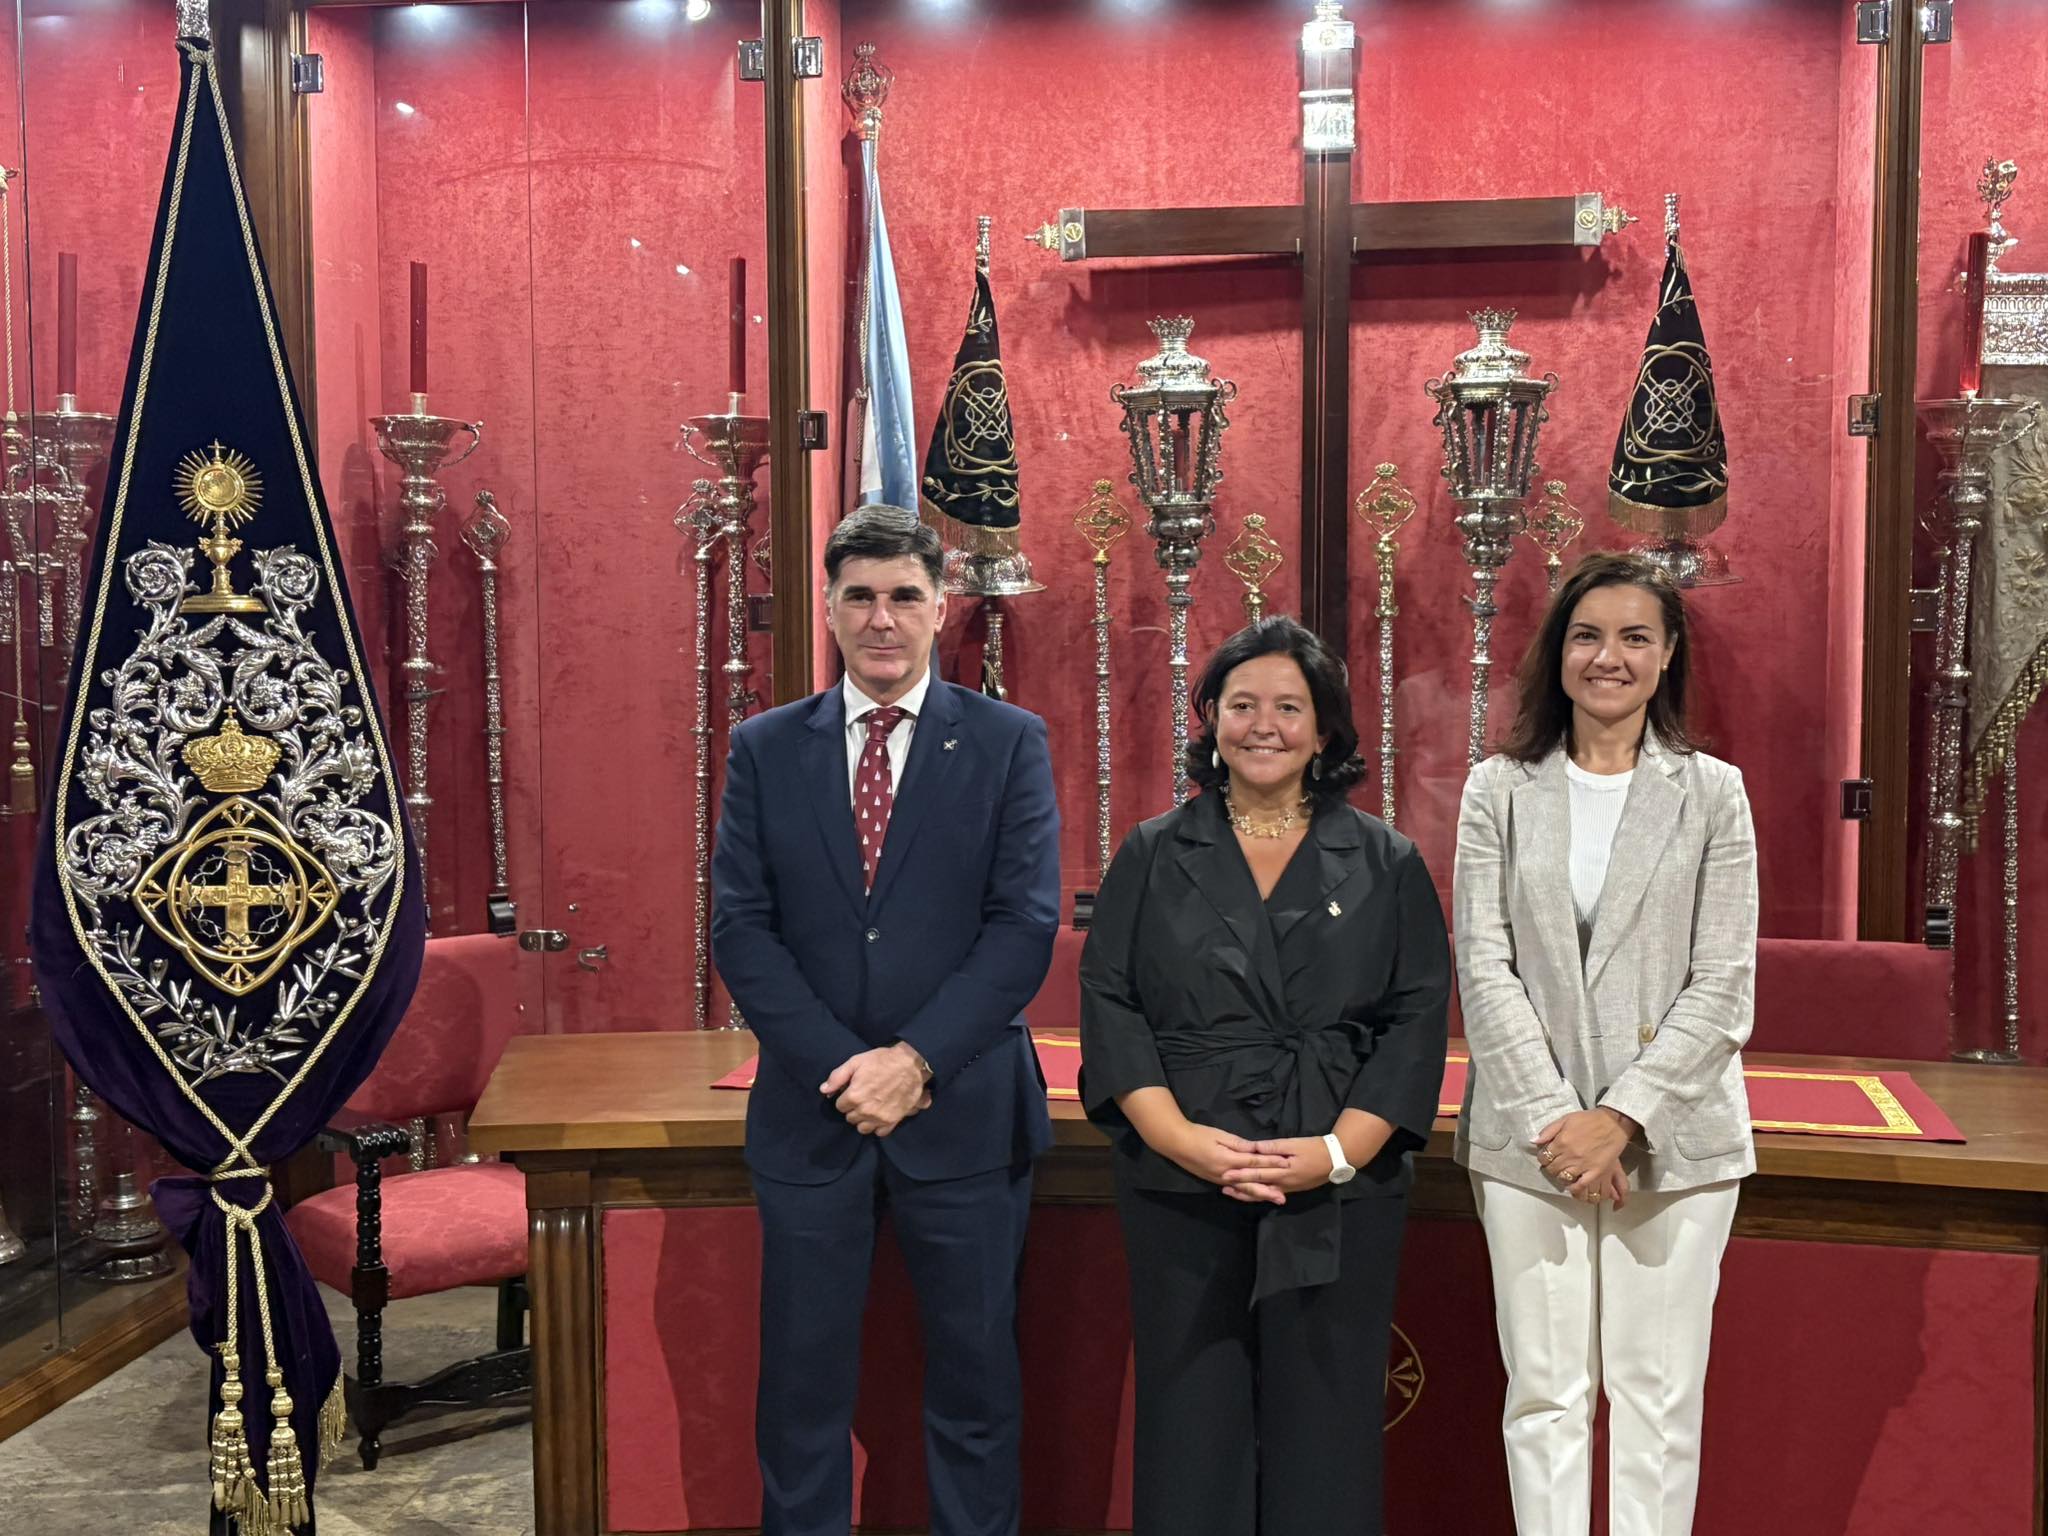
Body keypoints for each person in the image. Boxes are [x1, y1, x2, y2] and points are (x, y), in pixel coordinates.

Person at [710, 504, 1060, 1536]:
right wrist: (847, 1069)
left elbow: (1022, 927)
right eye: (858, 595)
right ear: (826, 607)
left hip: (961, 1121)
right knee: (802, 1395)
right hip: (812, 1121)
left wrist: (914, 1062)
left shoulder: (1007, 743)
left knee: (975, 1389)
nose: (881, 618)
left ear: (940, 608)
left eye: (903, 595)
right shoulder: (764, 749)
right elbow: (741, 930)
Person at [1078, 616, 1449, 1536]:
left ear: (1326, 730)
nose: (1264, 725)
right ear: (1210, 720)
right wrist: (1178, 1140)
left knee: (1327, 1420)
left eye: (1290, 707)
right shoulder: (1154, 852)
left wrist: (1334, 1153)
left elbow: (1415, 1019)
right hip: (1182, 1174)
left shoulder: (1386, 860)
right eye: (1241, 705)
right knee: (1189, 1413)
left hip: (1335, 1177)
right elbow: (1112, 1004)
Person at [1453, 551, 1757, 1536]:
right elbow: (1482, 967)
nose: (1607, 657)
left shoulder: (1713, 793)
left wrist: (1619, 1117)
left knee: (1655, 1397)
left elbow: (1721, 985)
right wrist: (1559, 1122)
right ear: (1558, 654)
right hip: (1529, 1140)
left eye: (1633, 637)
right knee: (1543, 1395)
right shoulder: (1495, 789)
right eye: (1587, 636)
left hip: (1670, 1143)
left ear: (1666, 656)